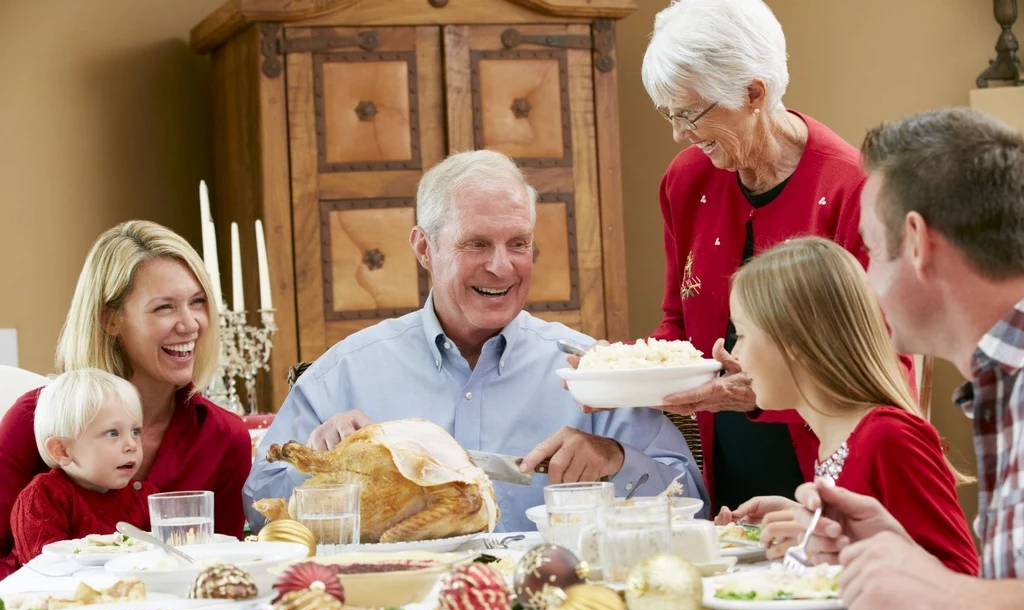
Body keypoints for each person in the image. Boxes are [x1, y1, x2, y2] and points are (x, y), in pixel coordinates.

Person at [244, 150, 708, 533]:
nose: (502, 267)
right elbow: (258, 505)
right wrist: (322, 467)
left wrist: (616, 460)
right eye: (477, 244)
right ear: (424, 248)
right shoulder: (344, 373)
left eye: (518, 243)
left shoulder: (593, 371)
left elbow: (692, 504)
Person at [754, 108, 1024, 610]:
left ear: (917, 242)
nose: (868, 286)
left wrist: (947, 595)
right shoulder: (1000, 389)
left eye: (871, 252)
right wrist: (899, 552)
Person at [634, 0, 913, 512]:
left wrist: (759, 393)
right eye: (669, 114)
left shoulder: (852, 188)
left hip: (837, 481)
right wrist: (619, 373)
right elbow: (677, 324)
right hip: (728, 473)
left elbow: (888, 370)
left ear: (753, 92)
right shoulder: (685, 181)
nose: (679, 133)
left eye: (690, 114)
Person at [0, 221, 252, 578]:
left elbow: (221, 571)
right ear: (110, 319)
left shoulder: (225, 438)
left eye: (197, 302)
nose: (190, 323)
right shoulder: (32, 418)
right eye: (164, 307)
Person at [713, 237, 976, 574]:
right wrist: (811, 524)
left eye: (743, 334)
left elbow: (961, 577)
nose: (735, 355)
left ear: (793, 341)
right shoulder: (835, 439)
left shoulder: (888, 437)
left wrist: (829, 546)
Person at [11, 369, 160, 564]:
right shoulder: (43, 498)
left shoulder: (143, 497)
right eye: (113, 433)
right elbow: (46, 570)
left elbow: (163, 557)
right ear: (62, 451)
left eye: (135, 431)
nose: (131, 445)